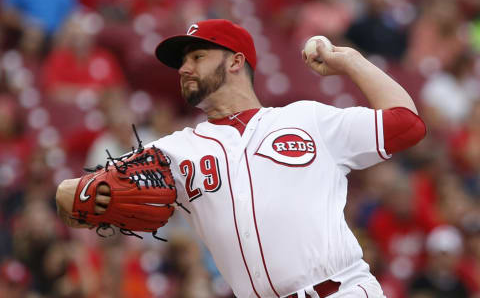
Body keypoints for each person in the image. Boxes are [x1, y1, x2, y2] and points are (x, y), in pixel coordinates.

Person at [56, 19, 426, 298]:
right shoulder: (175, 151)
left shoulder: (308, 119)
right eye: (182, 61)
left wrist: (349, 61)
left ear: (235, 62)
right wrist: (74, 195)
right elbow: (74, 198)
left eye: (197, 56)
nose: (184, 68)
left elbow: (407, 124)